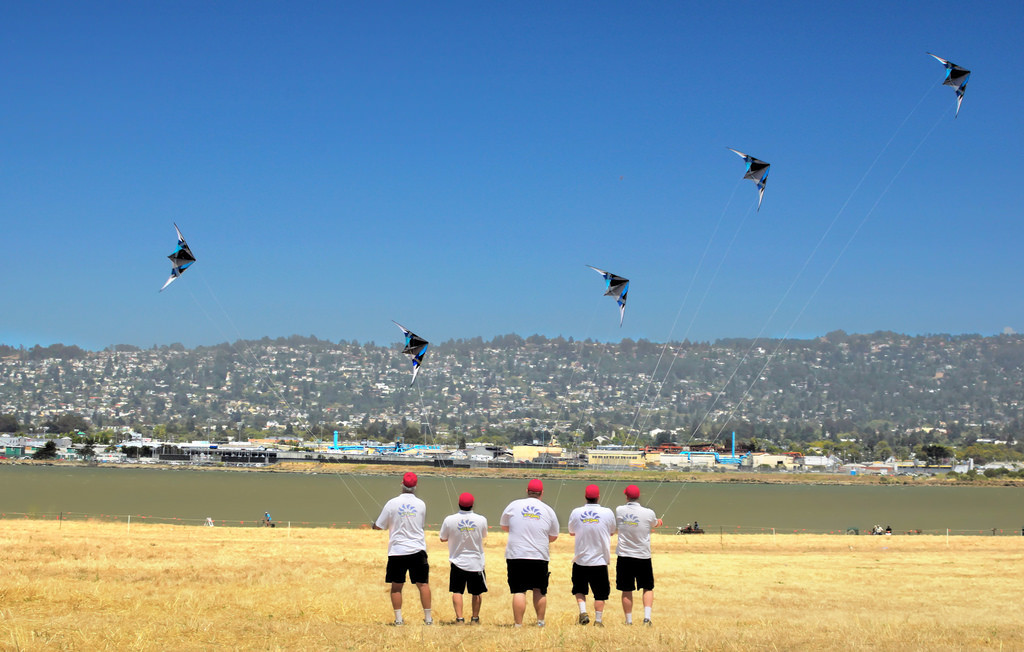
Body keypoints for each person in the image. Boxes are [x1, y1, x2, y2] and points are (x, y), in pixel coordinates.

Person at [372, 471, 432, 625]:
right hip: (417, 549)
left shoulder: (392, 503)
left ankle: (398, 620)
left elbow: (379, 525)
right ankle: (428, 619)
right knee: (423, 584)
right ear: (416, 486)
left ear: (401, 484)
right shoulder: (421, 504)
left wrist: (374, 526)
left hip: (397, 550)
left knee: (397, 587)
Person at [500, 478, 559, 627]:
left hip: (516, 554)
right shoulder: (548, 510)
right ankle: (540, 622)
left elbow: (504, 526)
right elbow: (553, 536)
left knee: (519, 590)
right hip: (539, 555)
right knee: (539, 590)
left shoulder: (514, 505)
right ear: (542, 493)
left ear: (527, 491)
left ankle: (518, 624)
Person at [568, 484, 616, 626]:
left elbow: (571, 531)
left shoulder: (576, 512)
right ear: (598, 497)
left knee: (579, 589)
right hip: (599, 561)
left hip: (581, 560)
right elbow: (612, 531)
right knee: (600, 593)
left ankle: (583, 612)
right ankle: (598, 620)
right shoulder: (608, 512)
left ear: (585, 497)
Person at [615, 484, 662, 626]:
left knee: (626, 589)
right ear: (638, 496)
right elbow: (655, 524)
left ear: (626, 496)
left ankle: (628, 621)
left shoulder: (619, 510)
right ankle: (647, 618)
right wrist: (659, 522)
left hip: (625, 556)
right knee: (648, 587)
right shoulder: (649, 513)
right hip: (643, 556)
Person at [439, 492, 488, 624]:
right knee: (476, 592)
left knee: (457, 591)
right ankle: (475, 618)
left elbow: (442, 538)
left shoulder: (449, 520)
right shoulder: (481, 520)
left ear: (459, 504)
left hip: (457, 561)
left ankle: (459, 619)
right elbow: (484, 535)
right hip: (476, 562)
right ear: (472, 505)